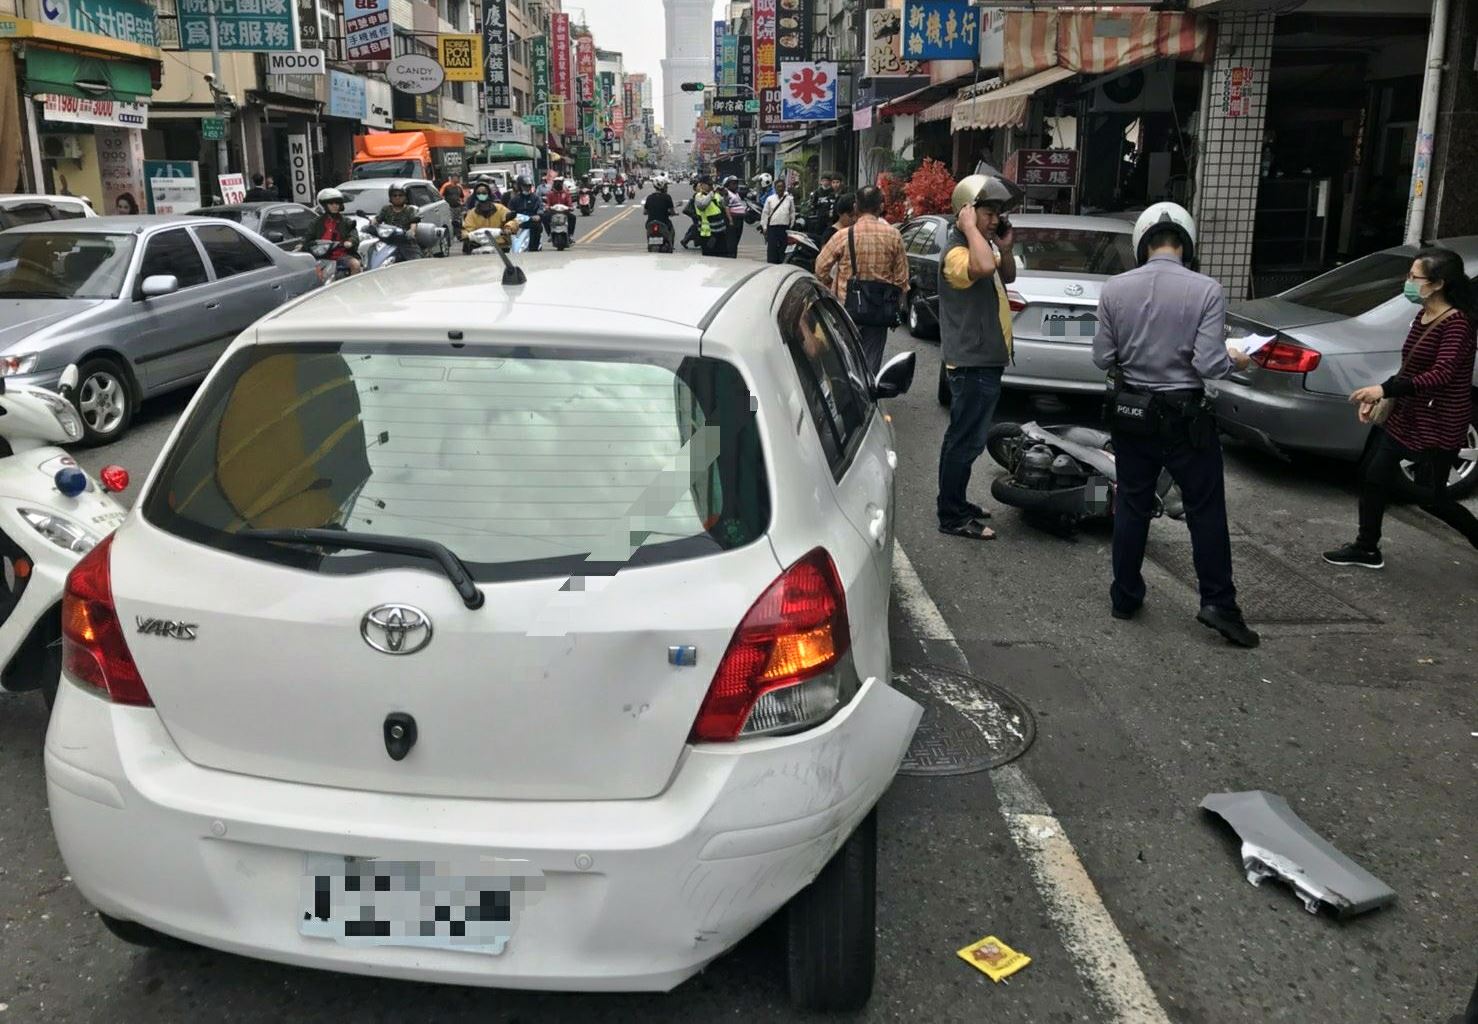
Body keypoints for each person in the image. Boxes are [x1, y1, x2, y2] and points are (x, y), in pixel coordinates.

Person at [1091, 202, 1259, 648]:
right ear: (1184, 244)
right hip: (1186, 419)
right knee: (1205, 510)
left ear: (1142, 243)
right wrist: (1235, 358)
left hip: (1132, 416)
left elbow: (1102, 359)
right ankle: (1219, 605)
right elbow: (1209, 363)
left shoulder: (1115, 289)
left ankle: (1125, 596)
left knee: (1131, 503)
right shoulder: (1206, 290)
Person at [1324, 247, 1478, 568]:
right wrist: (1380, 397)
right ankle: (1367, 547)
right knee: (1373, 475)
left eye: (1414, 276)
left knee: (1432, 499)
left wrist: (1383, 388)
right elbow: (1410, 367)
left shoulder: (1458, 325)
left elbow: (1441, 374)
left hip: (1439, 421)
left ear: (1437, 284)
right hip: (1406, 415)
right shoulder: (1421, 316)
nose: (1407, 282)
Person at [933, 175, 1019, 544]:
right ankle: (951, 514)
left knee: (969, 439)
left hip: (985, 360)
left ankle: (958, 502)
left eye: (998, 213)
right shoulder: (957, 252)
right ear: (966, 212)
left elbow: (1007, 273)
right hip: (971, 364)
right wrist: (970, 229)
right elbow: (983, 268)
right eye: (987, 213)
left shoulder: (981, 245)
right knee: (963, 440)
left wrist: (1006, 247)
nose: (995, 219)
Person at [813, 185, 908, 379]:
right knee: (870, 364)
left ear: (856, 207)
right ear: (880, 207)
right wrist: (895, 308)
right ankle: (868, 395)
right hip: (879, 312)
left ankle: (847, 396)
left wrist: (833, 285)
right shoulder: (894, 236)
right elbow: (902, 280)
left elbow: (820, 268)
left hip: (846, 309)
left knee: (845, 359)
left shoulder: (843, 235)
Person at [301, 187, 361, 275]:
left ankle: (354, 287)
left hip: (341, 255)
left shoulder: (347, 222)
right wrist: (303, 244)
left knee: (355, 265)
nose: (335, 206)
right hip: (319, 256)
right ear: (324, 205)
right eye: (331, 203)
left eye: (337, 203)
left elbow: (354, 236)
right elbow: (308, 238)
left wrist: (350, 242)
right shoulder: (316, 222)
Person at [460, 183, 515, 253]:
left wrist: (508, 228)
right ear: (475, 196)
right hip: (479, 246)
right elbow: (467, 228)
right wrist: (465, 235)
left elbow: (512, 220)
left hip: (501, 246)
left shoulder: (500, 209)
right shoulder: (471, 213)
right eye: (478, 193)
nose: (481, 195)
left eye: (484, 193)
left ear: (488, 194)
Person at [376, 184, 423, 259]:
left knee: (416, 260)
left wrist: (411, 231)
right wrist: (371, 225)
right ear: (390, 198)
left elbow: (413, 223)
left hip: (407, 242)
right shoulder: (385, 209)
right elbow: (376, 220)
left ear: (405, 197)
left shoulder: (410, 210)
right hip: (389, 241)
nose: (397, 197)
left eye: (400, 195)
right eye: (394, 195)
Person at [759, 176, 797, 265]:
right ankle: (772, 265)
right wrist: (764, 227)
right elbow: (765, 214)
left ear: (784, 188)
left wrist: (791, 224)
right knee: (772, 249)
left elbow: (792, 212)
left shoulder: (789, 199)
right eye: (778, 187)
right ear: (775, 188)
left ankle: (782, 265)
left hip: (784, 228)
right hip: (772, 228)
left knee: (783, 248)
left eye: (782, 186)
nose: (780, 188)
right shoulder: (770, 199)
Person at [689, 177, 730, 258]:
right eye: (709, 184)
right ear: (702, 185)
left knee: (722, 256)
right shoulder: (698, 196)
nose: (711, 186)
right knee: (709, 257)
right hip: (707, 234)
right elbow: (702, 205)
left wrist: (725, 194)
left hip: (720, 232)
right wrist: (712, 193)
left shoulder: (715, 195)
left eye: (712, 184)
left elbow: (724, 204)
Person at [506, 175, 544, 251]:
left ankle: (534, 248)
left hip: (531, 221)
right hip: (518, 223)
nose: (527, 188)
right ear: (520, 186)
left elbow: (540, 208)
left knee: (537, 226)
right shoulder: (514, 199)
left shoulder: (535, 198)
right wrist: (511, 214)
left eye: (529, 186)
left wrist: (538, 215)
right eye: (525, 186)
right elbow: (509, 211)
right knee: (508, 228)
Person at [804, 171, 842, 241]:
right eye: (823, 181)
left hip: (833, 220)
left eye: (827, 181)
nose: (825, 182)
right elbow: (812, 205)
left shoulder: (835, 193)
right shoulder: (817, 192)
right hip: (821, 218)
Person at [643, 177, 676, 249]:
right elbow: (672, 211)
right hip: (664, 223)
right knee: (672, 230)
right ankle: (670, 245)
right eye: (666, 186)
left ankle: (649, 242)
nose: (666, 188)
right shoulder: (667, 197)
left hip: (650, 223)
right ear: (662, 186)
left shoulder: (649, 197)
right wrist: (673, 213)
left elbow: (645, 212)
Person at [721, 176, 748, 258]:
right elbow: (726, 207)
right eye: (733, 183)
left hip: (739, 219)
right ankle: (731, 256)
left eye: (736, 183)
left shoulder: (736, 193)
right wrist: (730, 220)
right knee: (731, 241)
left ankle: (734, 255)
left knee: (737, 239)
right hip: (733, 219)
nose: (736, 185)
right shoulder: (727, 193)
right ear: (728, 185)